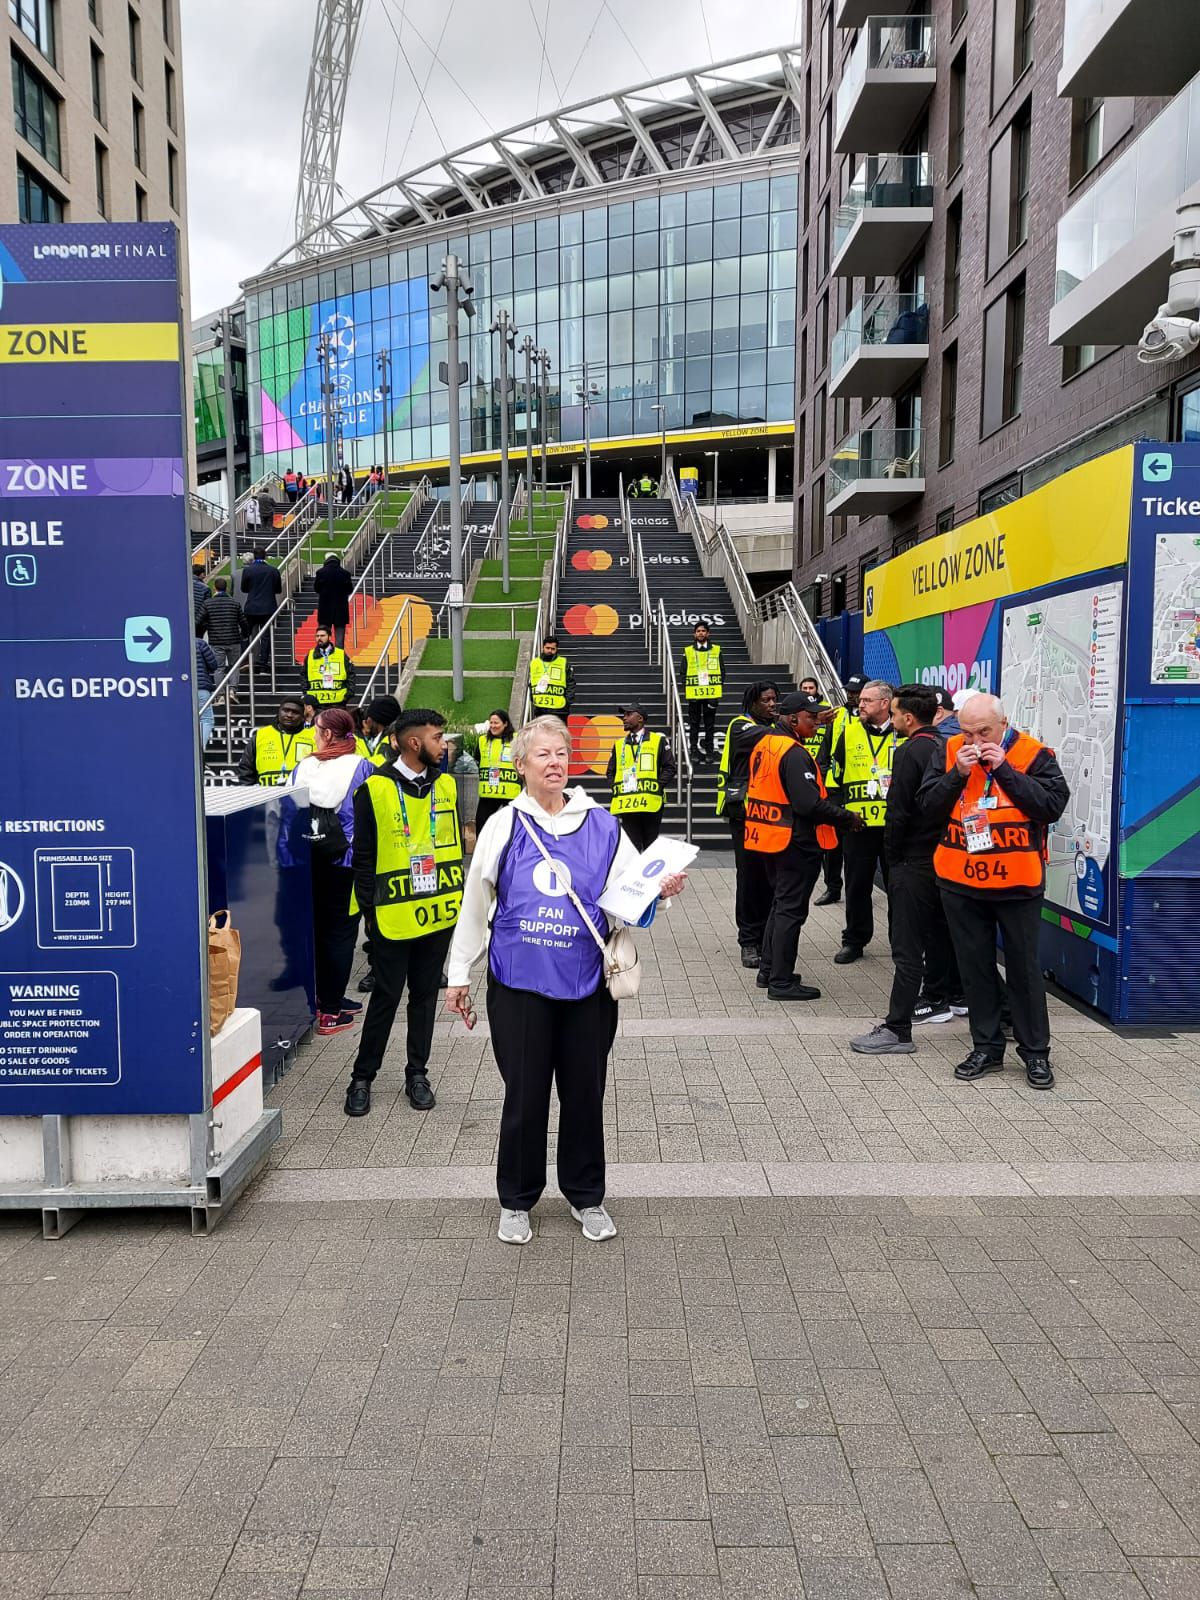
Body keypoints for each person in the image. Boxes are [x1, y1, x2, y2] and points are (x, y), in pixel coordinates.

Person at [444, 716, 687, 1245]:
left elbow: (629, 894)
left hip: (587, 986)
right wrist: (457, 973)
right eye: (542, 755)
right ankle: (517, 1199)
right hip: (519, 984)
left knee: (584, 1093)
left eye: (561, 753)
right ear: (521, 766)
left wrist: (662, 890)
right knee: (525, 1095)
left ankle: (586, 1196)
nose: (554, 762)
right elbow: (476, 904)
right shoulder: (503, 825)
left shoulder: (602, 823)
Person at [919, 692, 1070, 1090]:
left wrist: (1004, 771)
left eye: (982, 732)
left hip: (1016, 883)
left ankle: (1035, 1053)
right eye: (967, 732)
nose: (973, 740)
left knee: (1023, 969)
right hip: (960, 881)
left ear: (1003, 725)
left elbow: (1050, 806)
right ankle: (986, 1047)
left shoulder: (1033, 753)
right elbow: (927, 807)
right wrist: (956, 773)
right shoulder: (950, 749)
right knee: (975, 968)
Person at [344, 709, 464, 1117]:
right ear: (414, 743)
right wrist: (370, 917)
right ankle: (362, 1077)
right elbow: (362, 858)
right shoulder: (374, 788)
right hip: (391, 915)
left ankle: (418, 1073)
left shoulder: (445, 785)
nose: (443, 744)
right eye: (437, 737)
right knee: (386, 997)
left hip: (437, 913)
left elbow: (454, 847)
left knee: (425, 997)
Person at [850, 685, 959, 1055]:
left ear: (908, 718)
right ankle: (1003, 1015)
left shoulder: (911, 749)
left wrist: (893, 858)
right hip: (942, 857)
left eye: (895, 713)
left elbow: (897, 811)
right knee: (949, 938)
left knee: (907, 948)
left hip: (913, 862)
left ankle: (897, 1029)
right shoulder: (944, 747)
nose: (893, 719)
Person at [744, 692, 861, 1000]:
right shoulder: (794, 753)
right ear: (794, 719)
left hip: (770, 838)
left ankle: (769, 971)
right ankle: (781, 982)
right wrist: (847, 817)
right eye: (812, 718)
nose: (817, 724)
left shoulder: (768, 743)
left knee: (780, 906)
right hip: (794, 842)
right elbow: (808, 804)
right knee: (790, 912)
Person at [290, 709, 374, 1036]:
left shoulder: (304, 767)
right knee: (340, 933)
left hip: (307, 861)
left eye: (316, 729)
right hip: (344, 862)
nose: (313, 733)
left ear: (327, 735)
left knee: (315, 929)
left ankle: (323, 998)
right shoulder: (361, 767)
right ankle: (330, 1011)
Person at [826, 678, 898, 964]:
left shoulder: (903, 734)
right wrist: (841, 815)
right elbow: (835, 778)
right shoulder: (850, 732)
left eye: (867, 700)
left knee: (899, 889)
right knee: (856, 886)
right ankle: (854, 940)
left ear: (885, 703)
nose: (860, 704)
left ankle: (901, 942)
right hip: (859, 827)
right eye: (861, 700)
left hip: (895, 828)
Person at [716, 681, 778, 967]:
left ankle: (767, 936)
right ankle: (749, 940)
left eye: (775, 699)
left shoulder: (775, 729)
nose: (772, 704)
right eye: (766, 700)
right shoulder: (741, 726)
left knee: (769, 879)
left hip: (771, 814)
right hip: (744, 814)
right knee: (750, 878)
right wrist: (787, 721)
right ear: (752, 702)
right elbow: (766, 737)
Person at [814, 673, 865, 907]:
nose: (852, 696)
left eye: (856, 692)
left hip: (860, 788)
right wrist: (824, 777)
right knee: (831, 843)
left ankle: (859, 889)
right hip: (835, 788)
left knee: (857, 843)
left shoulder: (869, 719)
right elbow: (824, 752)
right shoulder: (838, 716)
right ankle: (832, 887)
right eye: (850, 692)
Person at [605, 702, 676, 852]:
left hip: (650, 803)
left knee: (651, 848)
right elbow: (610, 772)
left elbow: (670, 767)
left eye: (628, 714)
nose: (624, 718)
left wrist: (657, 786)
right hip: (627, 804)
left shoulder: (658, 740)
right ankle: (634, 876)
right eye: (624, 715)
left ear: (640, 719)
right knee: (631, 849)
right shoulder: (619, 745)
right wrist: (617, 788)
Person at [237, 696, 312, 785]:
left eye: (295, 712)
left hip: (299, 796)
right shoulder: (261, 735)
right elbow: (246, 768)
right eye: (286, 710)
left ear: (303, 717)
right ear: (279, 712)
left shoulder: (313, 736)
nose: (289, 715)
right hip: (267, 795)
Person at [682, 622, 722, 763]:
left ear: (708, 633)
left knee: (709, 724)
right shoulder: (688, 651)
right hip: (694, 695)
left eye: (703, 631)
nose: (700, 633)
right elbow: (683, 673)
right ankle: (694, 751)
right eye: (698, 631)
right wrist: (689, 690)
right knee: (694, 724)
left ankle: (709, 752)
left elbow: (722, 673)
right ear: (695, 634)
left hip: (710, 694)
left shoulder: (716, 650)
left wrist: (716, 694)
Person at [476, 710, 520, 834]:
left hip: (510, 793)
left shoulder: (517, 740)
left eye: (496, 723)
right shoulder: (482, 740)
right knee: (481, 825)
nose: (493, 726)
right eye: (491, 723)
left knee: (510, 829)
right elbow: (477, 759)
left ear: (505, 723)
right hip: (488, 792)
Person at [199, 577, 245, 692]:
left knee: (219, 668)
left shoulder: (207, 603)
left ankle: (220, 694)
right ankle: (233, 691)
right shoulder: (235, 603)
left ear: (214, 588)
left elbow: (197, 620)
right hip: (234, 639)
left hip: (216, 641)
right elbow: (243, 621)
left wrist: (207, 626)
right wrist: (245, 634)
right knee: (234, 666)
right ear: (227, 588)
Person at [241, 546, 283, 668]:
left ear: (254, 556)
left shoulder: (248, 570)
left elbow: (244, 589)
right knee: (266, 636)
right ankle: (263, 661)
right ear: (265, 556)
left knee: (246, 634)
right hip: (268, 607)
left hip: (252, 607)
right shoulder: (273, 571)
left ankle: (245, 659)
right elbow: (278, 589)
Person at [303, 624, 356, 706]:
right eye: (317, 636)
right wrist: (306, 693)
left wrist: (348, 695)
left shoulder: (340, 654)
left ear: (330, 637)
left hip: (338, 702)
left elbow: (350, 674)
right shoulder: (310, 655)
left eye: (322, 636)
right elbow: (304, 675)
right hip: (316, 704)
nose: (319, 638)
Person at [314, 553, 354, 648]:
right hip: (341, 611)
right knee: (339, 641)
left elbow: (316, 589)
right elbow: (350, 590)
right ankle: (338, 660)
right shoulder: (345, 573)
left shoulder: (320, 573)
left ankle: (323, 659)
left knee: (323, 638)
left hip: (325, 610)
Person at [529, 635, 575, 717]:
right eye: (547, 648)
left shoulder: (563, 662)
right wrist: (533, 699)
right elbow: (531, 682)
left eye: (553, 649)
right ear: (543, 647)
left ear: (557, 649)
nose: (550, 651)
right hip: (540, 709)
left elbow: (571, 683)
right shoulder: (534, 663)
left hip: (560, 709)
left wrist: (567, 703)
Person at [194, 634, 221, 749]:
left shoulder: (171, 643)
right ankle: (199, 752)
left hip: (180, 690)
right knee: (206, 719)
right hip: (201, 686)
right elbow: (213, 664)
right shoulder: (199, 643)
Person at [361, 695, 401, 765]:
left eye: (368, 717)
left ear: (372, 720)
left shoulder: (385, 746)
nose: (366, 720)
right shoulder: (397, 738)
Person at [192, 565, 211, 629]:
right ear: (201, 574)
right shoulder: (206, 588)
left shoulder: (183, 584)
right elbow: (208, 607)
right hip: (200, 623)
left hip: (185, 620)